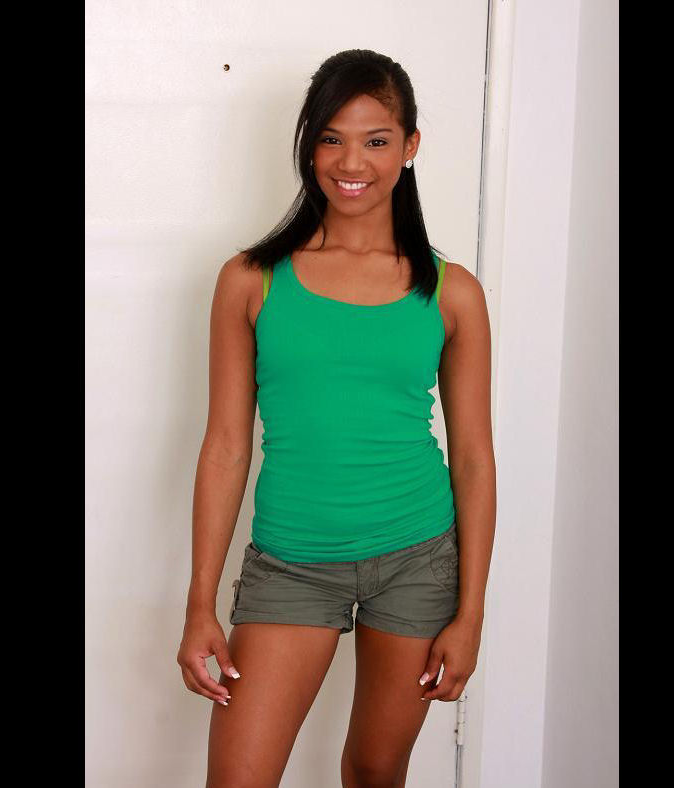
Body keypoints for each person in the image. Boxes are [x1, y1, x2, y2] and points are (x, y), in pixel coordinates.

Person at [177, 48, 497, 788]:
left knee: (376, 770)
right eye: (331, 138)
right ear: (309, 145)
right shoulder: (250, 280)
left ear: (410, 146)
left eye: (376, 140)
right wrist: (200, 605)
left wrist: (471, 613)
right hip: (291, 561)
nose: (352, 162)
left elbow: (474, 457)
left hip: (417, 558)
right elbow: (225, 447)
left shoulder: (452, 292)